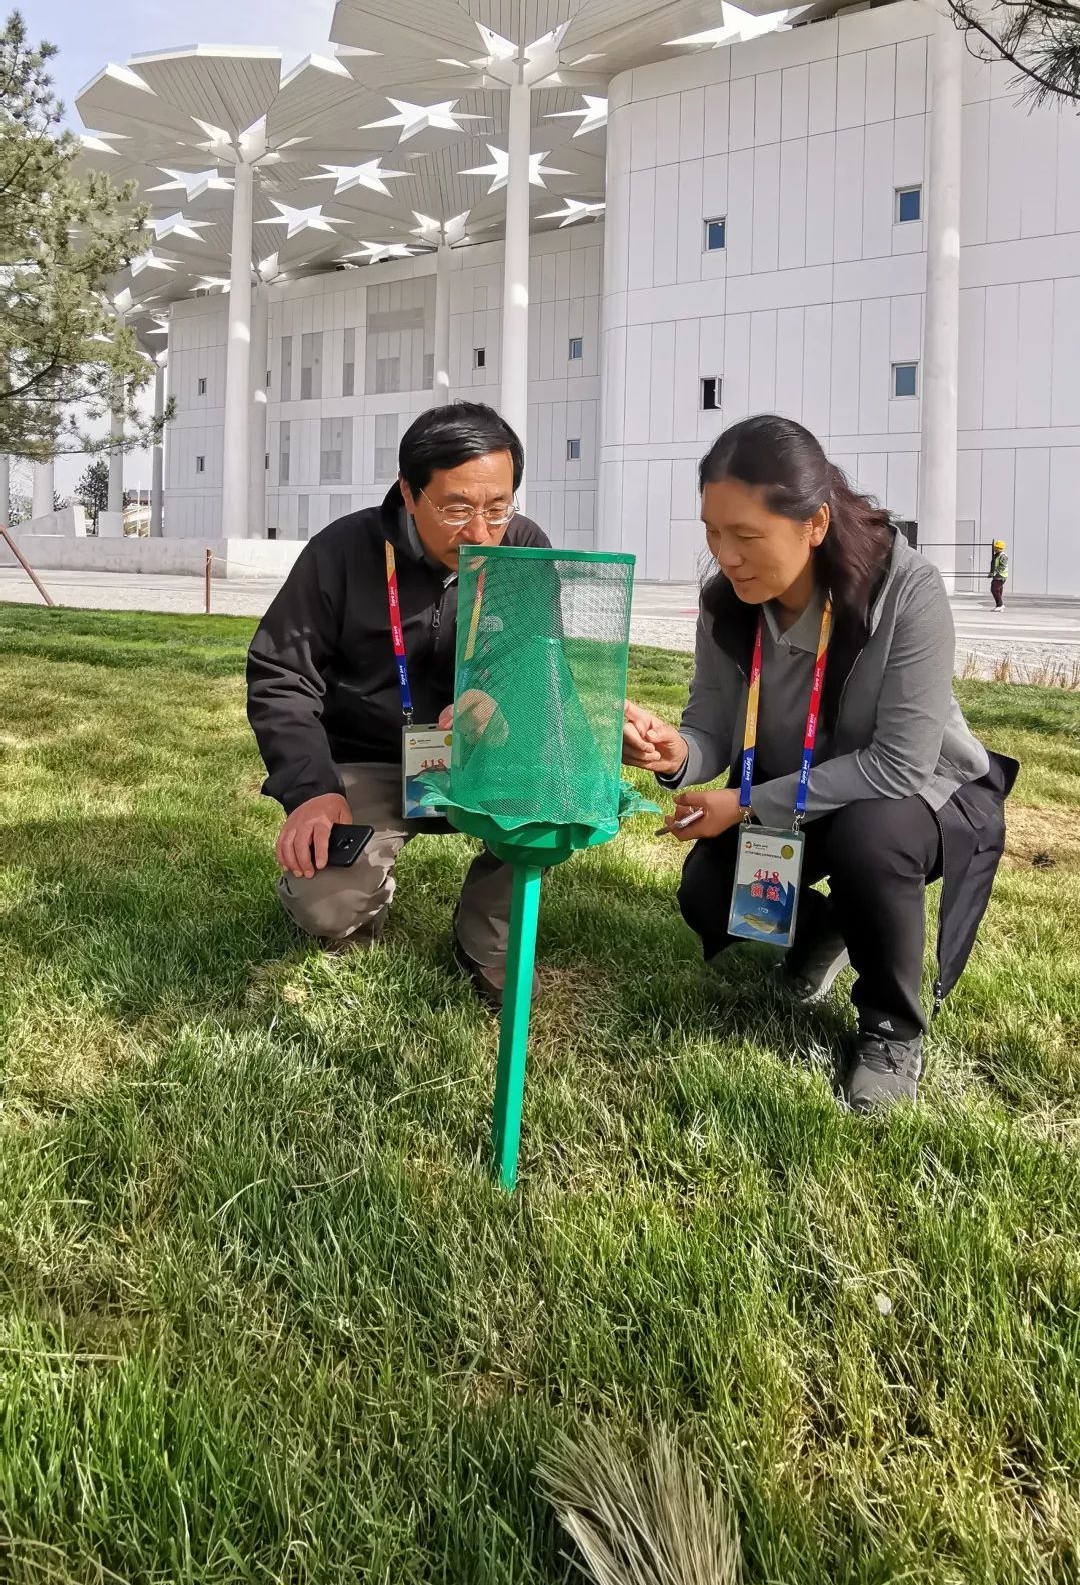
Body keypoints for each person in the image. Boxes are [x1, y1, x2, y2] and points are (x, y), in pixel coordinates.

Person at [622, 416, 1018, 1111]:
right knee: (708, 894)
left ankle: (892, 1028)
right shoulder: (726, 604)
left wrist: (745, 806)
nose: (727, 555)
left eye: (746, 536)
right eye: (714, 532)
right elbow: (711, 722)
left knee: (873, 841)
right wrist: (676, 751)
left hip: (910, 798)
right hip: (793, 793)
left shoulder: (906, 590)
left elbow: (898, 765)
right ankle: (825, 930)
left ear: (814, 524)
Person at [246, 402, 550, 1007]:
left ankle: (487, 934)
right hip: (369, 758)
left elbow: (540, 669)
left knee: (554, 793)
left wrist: (502, 702)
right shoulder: (345, 550)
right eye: (457, 508)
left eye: (498, 507)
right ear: (409, 493)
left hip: (480, 759)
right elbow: (281, 673)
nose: (482, 532)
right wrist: (310, 790)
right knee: (326, 908)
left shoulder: (525, 548)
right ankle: (357, 906)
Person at [989, 540, 1008, 609]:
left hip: (1001, 576)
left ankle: (1000, 605)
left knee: (994, 589)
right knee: (998, 590)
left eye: (996, 547)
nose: (995, 549)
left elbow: (1002, 566)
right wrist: (991, 573)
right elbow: (993, 565)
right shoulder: (996, 555)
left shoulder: (1003, 556)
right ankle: (999, 605)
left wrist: (995, 572)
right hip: (997, 576)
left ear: (1000, 548)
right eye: (995, 547)